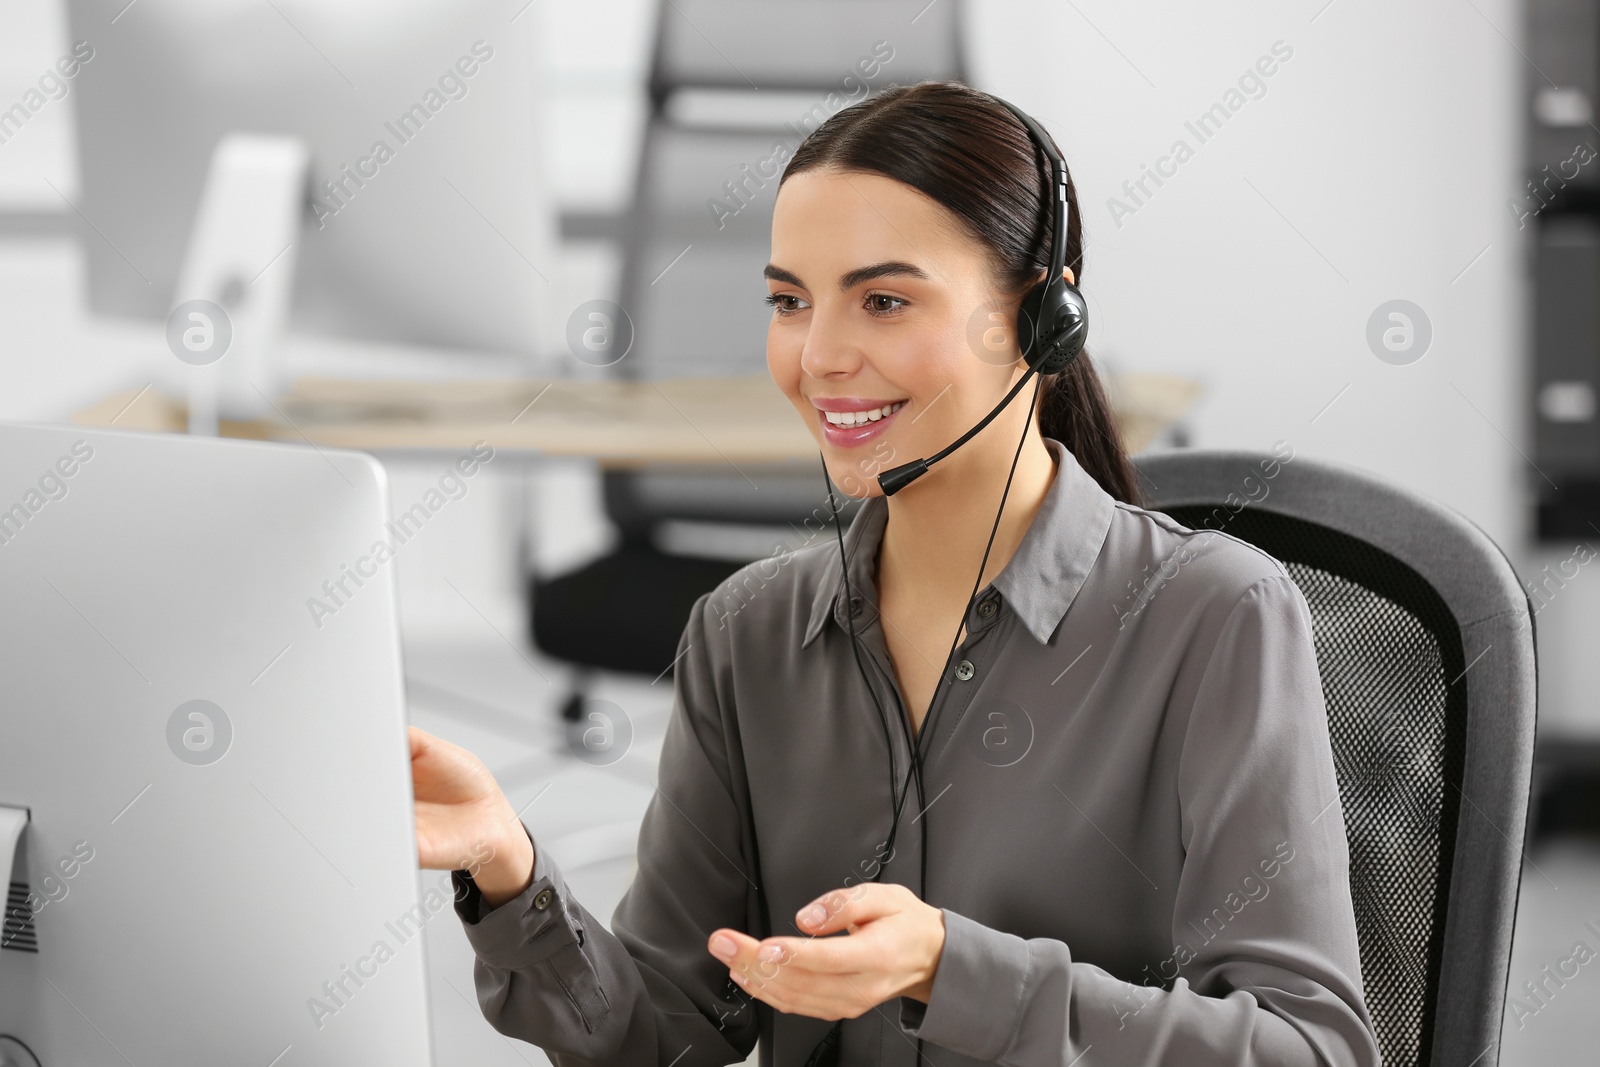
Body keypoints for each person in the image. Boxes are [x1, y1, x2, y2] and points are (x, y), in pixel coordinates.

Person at [407, 80, 1381, 1066]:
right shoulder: (746, 633)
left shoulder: (1214, 618)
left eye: (882, 299)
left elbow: (1308, 1050)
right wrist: (507, 868)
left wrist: (951, 969)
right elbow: (660, 1038)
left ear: (1044, 319)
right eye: (789, 300)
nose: (819, 355)